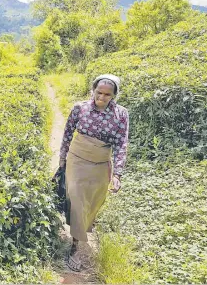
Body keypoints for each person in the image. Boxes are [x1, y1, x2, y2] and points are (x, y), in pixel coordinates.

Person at [59, 74, 129, 271]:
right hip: (78, 159)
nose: (102, 97)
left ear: (114, 95)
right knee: (77, 198)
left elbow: (121, 144)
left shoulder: (121, 114)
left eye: (107, 94)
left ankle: (82, 229)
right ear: (93, 90)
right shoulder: (79, 108)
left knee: (93, 200)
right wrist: (62, 159)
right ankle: (74, 246)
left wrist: (117, 174)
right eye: (99, 92)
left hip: (100, 163)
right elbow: (67, 133)